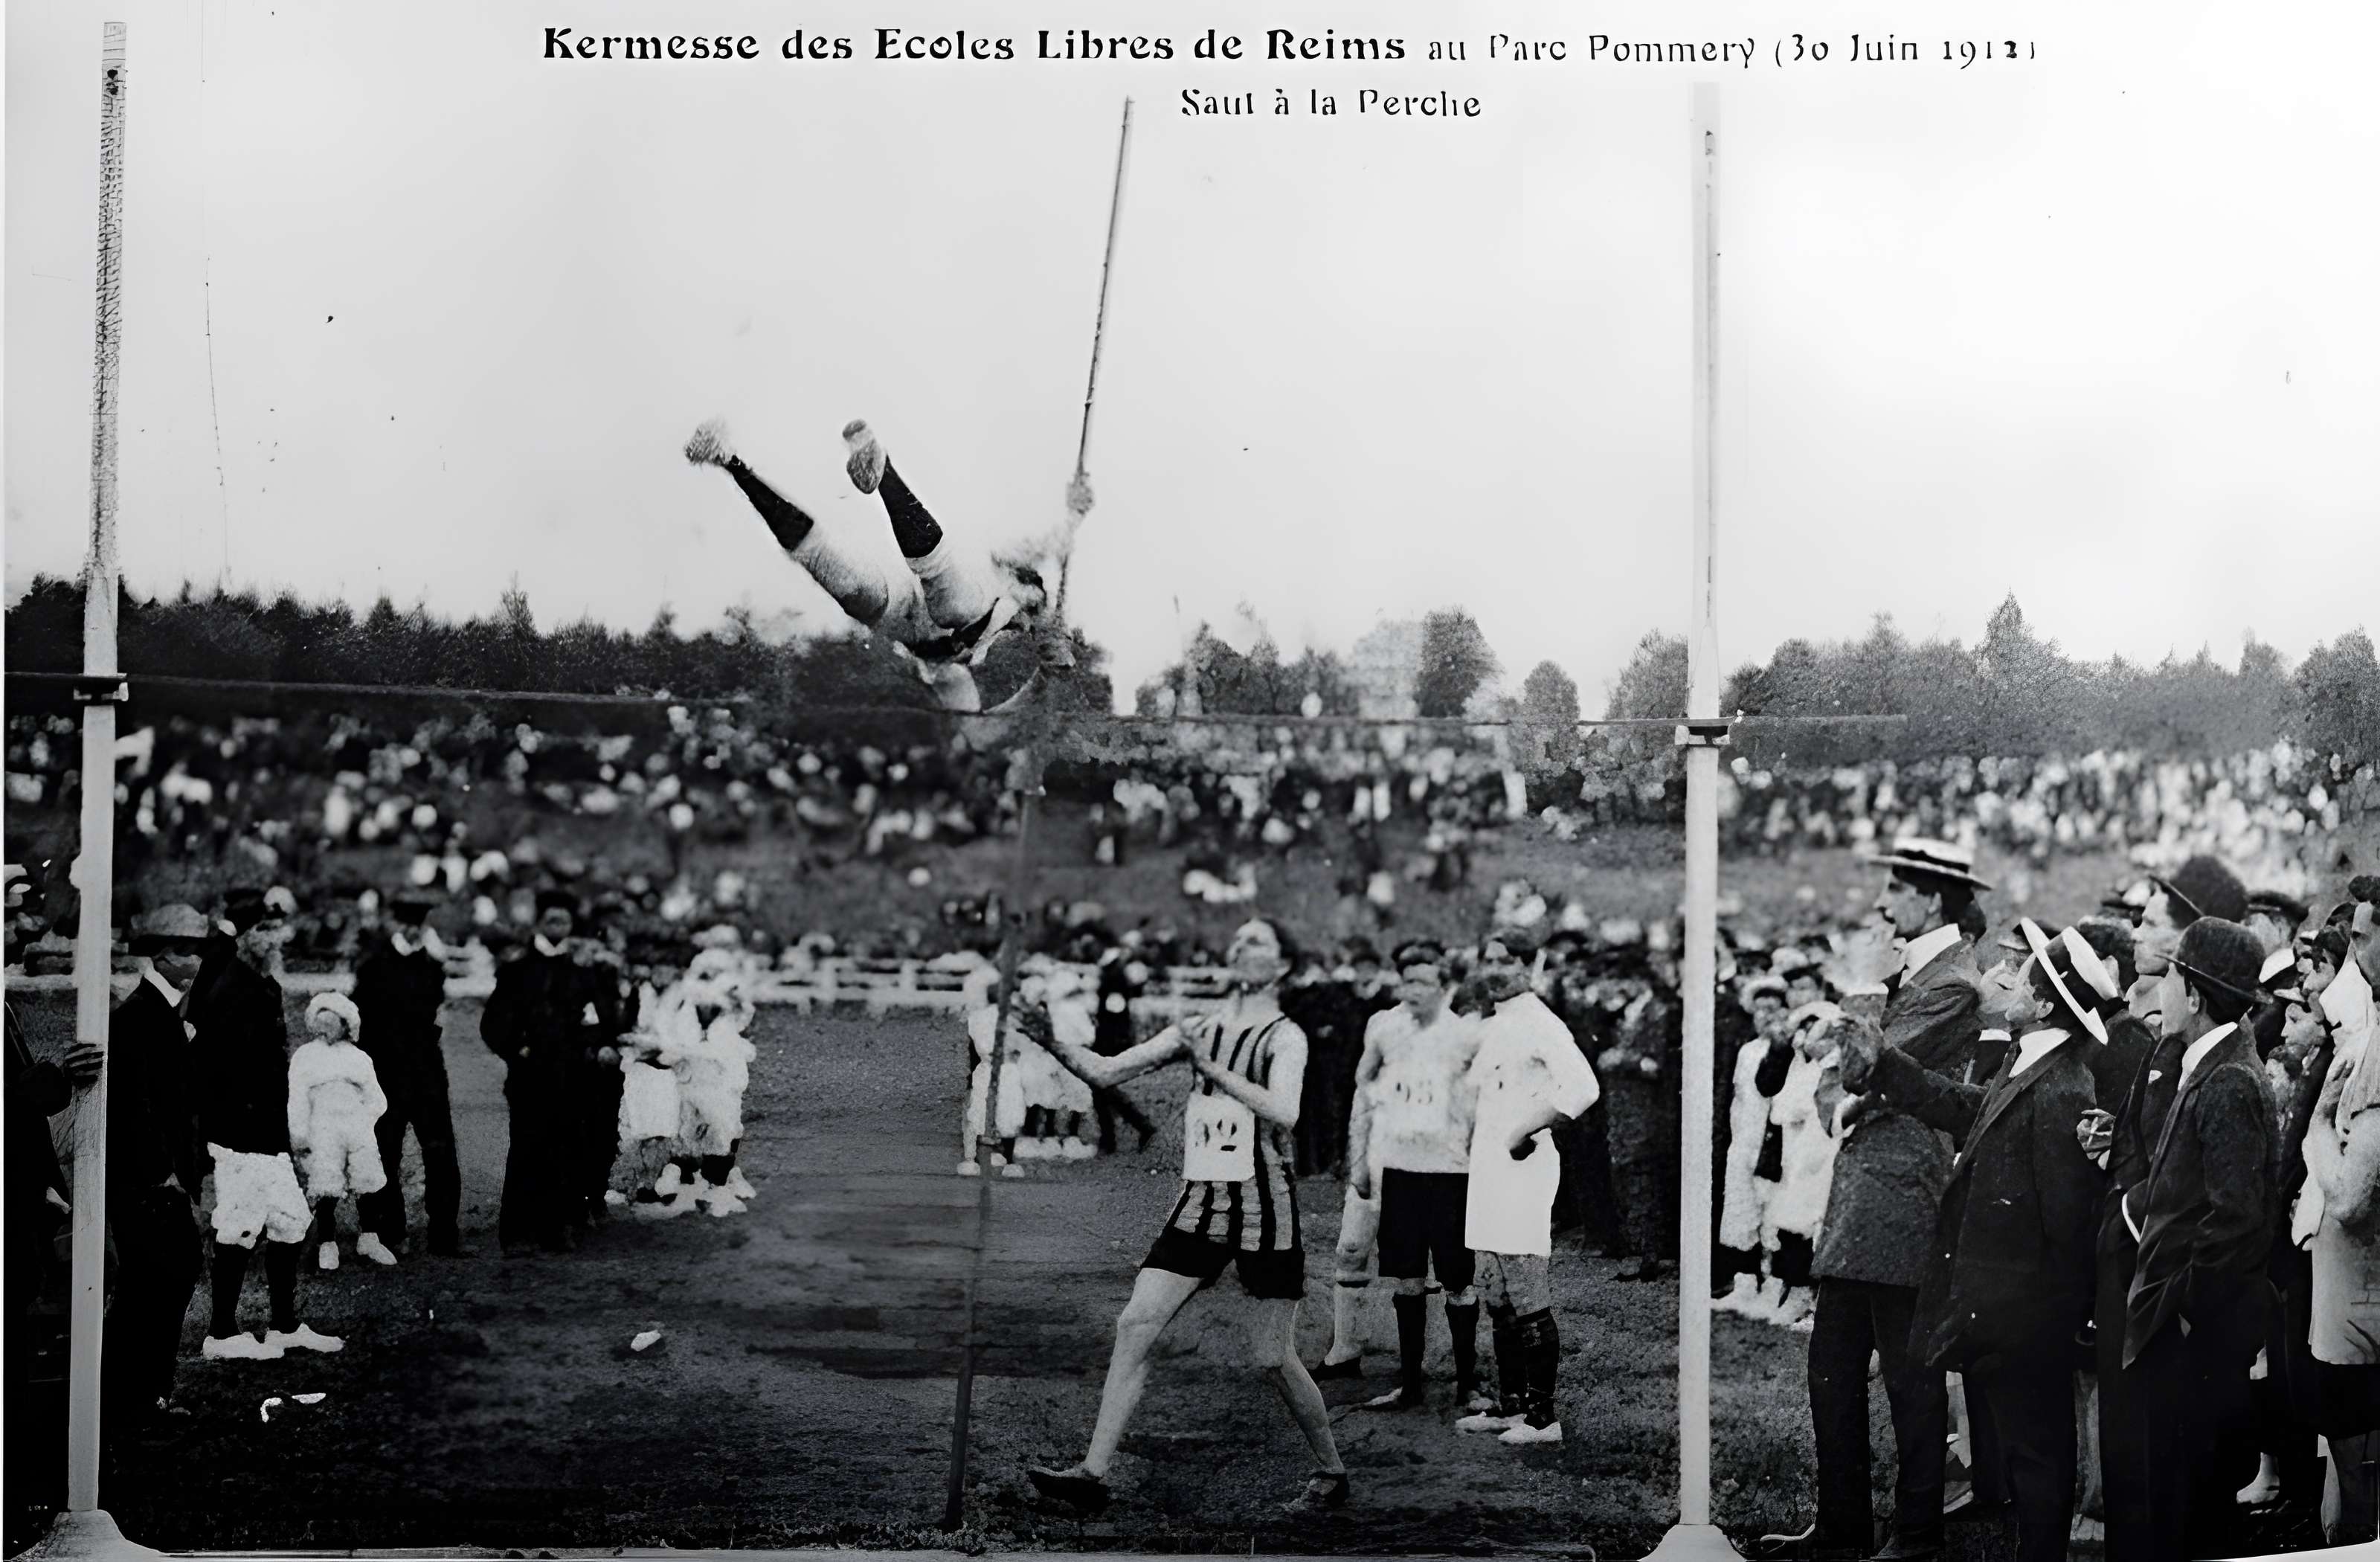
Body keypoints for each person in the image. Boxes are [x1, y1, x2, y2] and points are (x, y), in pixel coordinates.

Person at [1027, 917, 1351, 1517]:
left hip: (1265, 1207)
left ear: (1280, 966)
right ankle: (1092, 1473)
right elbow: (1106, 1071)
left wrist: (1216, 1070)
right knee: (1136, 1324)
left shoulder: (1285, 1037)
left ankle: (1332, 1471)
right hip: (1201, 1204)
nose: (1240, 946)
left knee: (1272, 1357)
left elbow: (1285, 1111)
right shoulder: (1197, 1027)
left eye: (1257, 941)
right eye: (1238, 937)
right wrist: (1048, 1039)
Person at [1842, 919, 2111, 1562]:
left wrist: (2058, 1322)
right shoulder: (2034, 1064)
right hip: (2011, 1312)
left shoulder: (2062, 1086)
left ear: (2045, 1003)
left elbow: (2069, 1224)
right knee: (2029, 1452)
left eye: (2022, 977)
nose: (2006, 981)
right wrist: (1890, 1063)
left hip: (2030, 1316)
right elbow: (1966, 1108)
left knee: (2038, 1454)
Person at [1806, 837, 1992, 1562]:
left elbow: (1853, 1061)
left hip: (1903, 1198)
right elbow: (1840, 1075)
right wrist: (1842, 1091)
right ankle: (1840, 1527)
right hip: (1863, 1199)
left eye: (1893, 890)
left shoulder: (1952, 984)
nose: (1882, 905)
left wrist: (1860, 995)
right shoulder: (1915, 973)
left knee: (1909, 1380)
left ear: (1930, 898)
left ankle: (1915, 1534)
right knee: (1831, 1368)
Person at [684, 417, 1068, 713]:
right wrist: (1049, 671)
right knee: (955, 605)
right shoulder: (1024, 606)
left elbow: (987, 727)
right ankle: (883, 473)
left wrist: (1044, 683)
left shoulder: (950, 696)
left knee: (850, 589)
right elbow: (1041, 632)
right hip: (962, 595)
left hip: (908, 618)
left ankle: (730, 462)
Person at [2117, 915, 2278, 1562]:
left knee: (2190, 1510)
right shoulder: (2210, 1065)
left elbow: (2235, 1220)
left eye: (2174, 977)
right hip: (2184, 1327)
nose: (2163, 991)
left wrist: (2182, 1309)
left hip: (2193, 1336)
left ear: (2196, 994)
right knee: (2177, 1498)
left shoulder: (2230, 1079)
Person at [1453, 924, 1601, 1446]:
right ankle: (1511, 1406)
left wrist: (1525, 1128)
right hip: (1489, 1167)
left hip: (1525, 1164)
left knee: (1525, 1288)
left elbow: (1583, 1088)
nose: (1494, 970)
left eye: (1505, 961)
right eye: (1487, 960)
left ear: (1528, 966)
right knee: (1494, 1290)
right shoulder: (1496, 1023)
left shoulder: (1541, 1021)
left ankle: (1543, 1418)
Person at [194, 889, 340, 1360]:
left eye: (277, 928)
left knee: (290, 1221)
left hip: (266, 1131)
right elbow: (219, 1073)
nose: (275, 937)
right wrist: (236, 1137)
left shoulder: (264, 984)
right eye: (265, 929)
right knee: (239, 1225)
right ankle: (221, 1334)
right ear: (246, 936)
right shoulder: (228, 986)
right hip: (238, 1133)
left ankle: (282, 1325)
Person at [1342, 939, 1487, 1412]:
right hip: (1400, 1169)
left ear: (1442, 985)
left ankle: (1468, 1384)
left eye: (1424, 981)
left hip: (1450, 1170)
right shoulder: (1384, 1028)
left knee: (1457, 1280)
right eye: (1407, 981)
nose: (1414, 990)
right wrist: (1359, 1159)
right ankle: (1409, 1384)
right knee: (1406, 1278)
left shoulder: (1465, 1035)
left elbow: (1480, 1103)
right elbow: (1364, 1091)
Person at [2293, 890, 2380, 1545]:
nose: (2358, 952)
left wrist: (2318, 1128)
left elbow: (2350, 1201)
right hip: (2351, 1295)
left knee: (2358, 1478)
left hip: (2362, 1297)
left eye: (2366, 937)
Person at [480, 890, 624, 1254]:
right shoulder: (517, 970)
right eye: (551, 919)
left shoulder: (581, 975)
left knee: (565, 1150)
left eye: (564, 919)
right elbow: (493, 1024)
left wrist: (596, 1045)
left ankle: (555, 1229)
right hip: (530, 1077)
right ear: (540, 923)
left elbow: (599, 1020)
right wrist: (517, 1050)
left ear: (572, 925)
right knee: (527, 1148)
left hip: (571, 1077)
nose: (558, 925)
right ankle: (516, 1234)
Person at [352, 893, 463, 1257]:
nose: (415, 930)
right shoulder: (373, 964)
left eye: (421, 923)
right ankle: (390, 1232)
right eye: (408, 923)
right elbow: (363, 1021)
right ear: (394, 922)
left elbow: (434, 1014)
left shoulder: (430, 964)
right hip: (386, 1072)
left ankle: (444, 1234)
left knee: (441, 1152)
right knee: (386, 1152)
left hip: (427, 1072)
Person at [288, 993, 390, 1271]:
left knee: (367, 1180)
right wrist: (300, 1132)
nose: (327, 1030)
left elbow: (377, 1099)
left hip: (357, 1127)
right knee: (326, 1183)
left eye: (334, 1024)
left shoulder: (359, 1058)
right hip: (323, 1128)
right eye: (322, 1024)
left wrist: (365, 1121)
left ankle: (369, 1237)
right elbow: (296, 1098)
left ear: (346, 1026)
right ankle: (327, 1242)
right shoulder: (305, 1057)